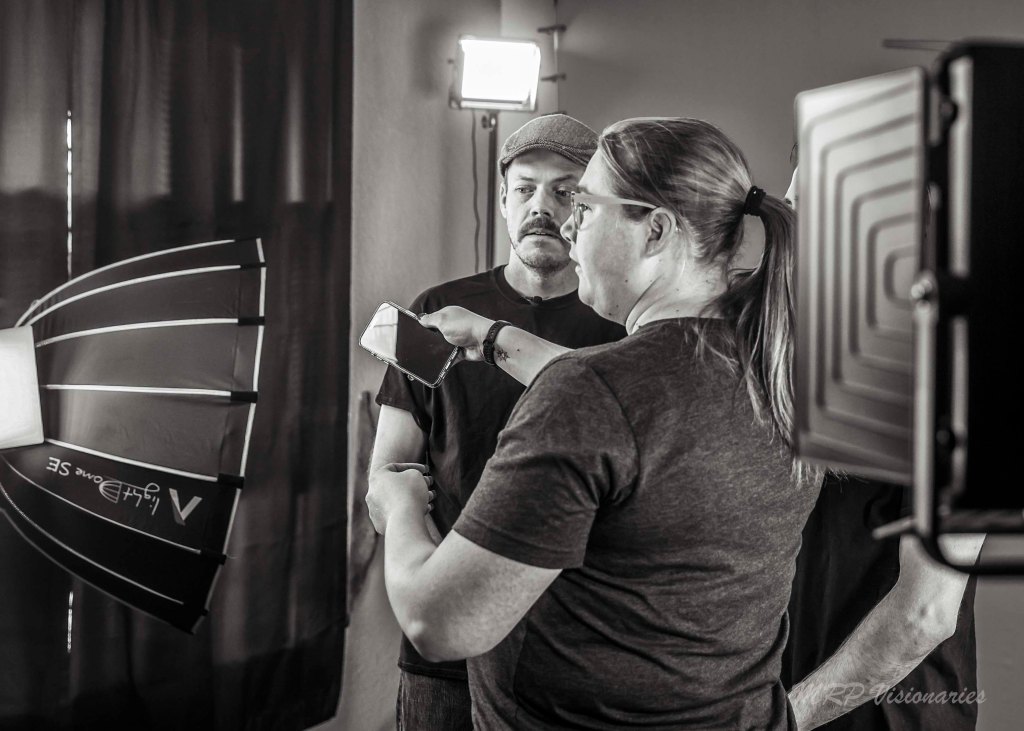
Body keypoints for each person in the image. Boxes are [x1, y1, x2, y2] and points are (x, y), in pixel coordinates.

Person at [367, 117, 820, 729]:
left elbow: (438, 623)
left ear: (655, 230)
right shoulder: (782, 367)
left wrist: (399, 504)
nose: (567, 225)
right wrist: (495, 338)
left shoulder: (590, 391)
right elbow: (638, 404)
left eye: (582, 204)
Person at [368, 113, 625, 730]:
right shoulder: (436, 311)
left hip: (579, 655)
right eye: (525, 189)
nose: (542, 206)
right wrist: (428, 564)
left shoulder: (623, 324)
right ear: (504, 200)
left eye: (565, 190)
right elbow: (386, 476)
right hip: (448, 659)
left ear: (591, 208)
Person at [780, 165, 986, 730]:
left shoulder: (963, 373)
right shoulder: (799, 349)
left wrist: (784, 720)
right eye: (791, 207)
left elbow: (925, 613)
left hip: (892, 715)